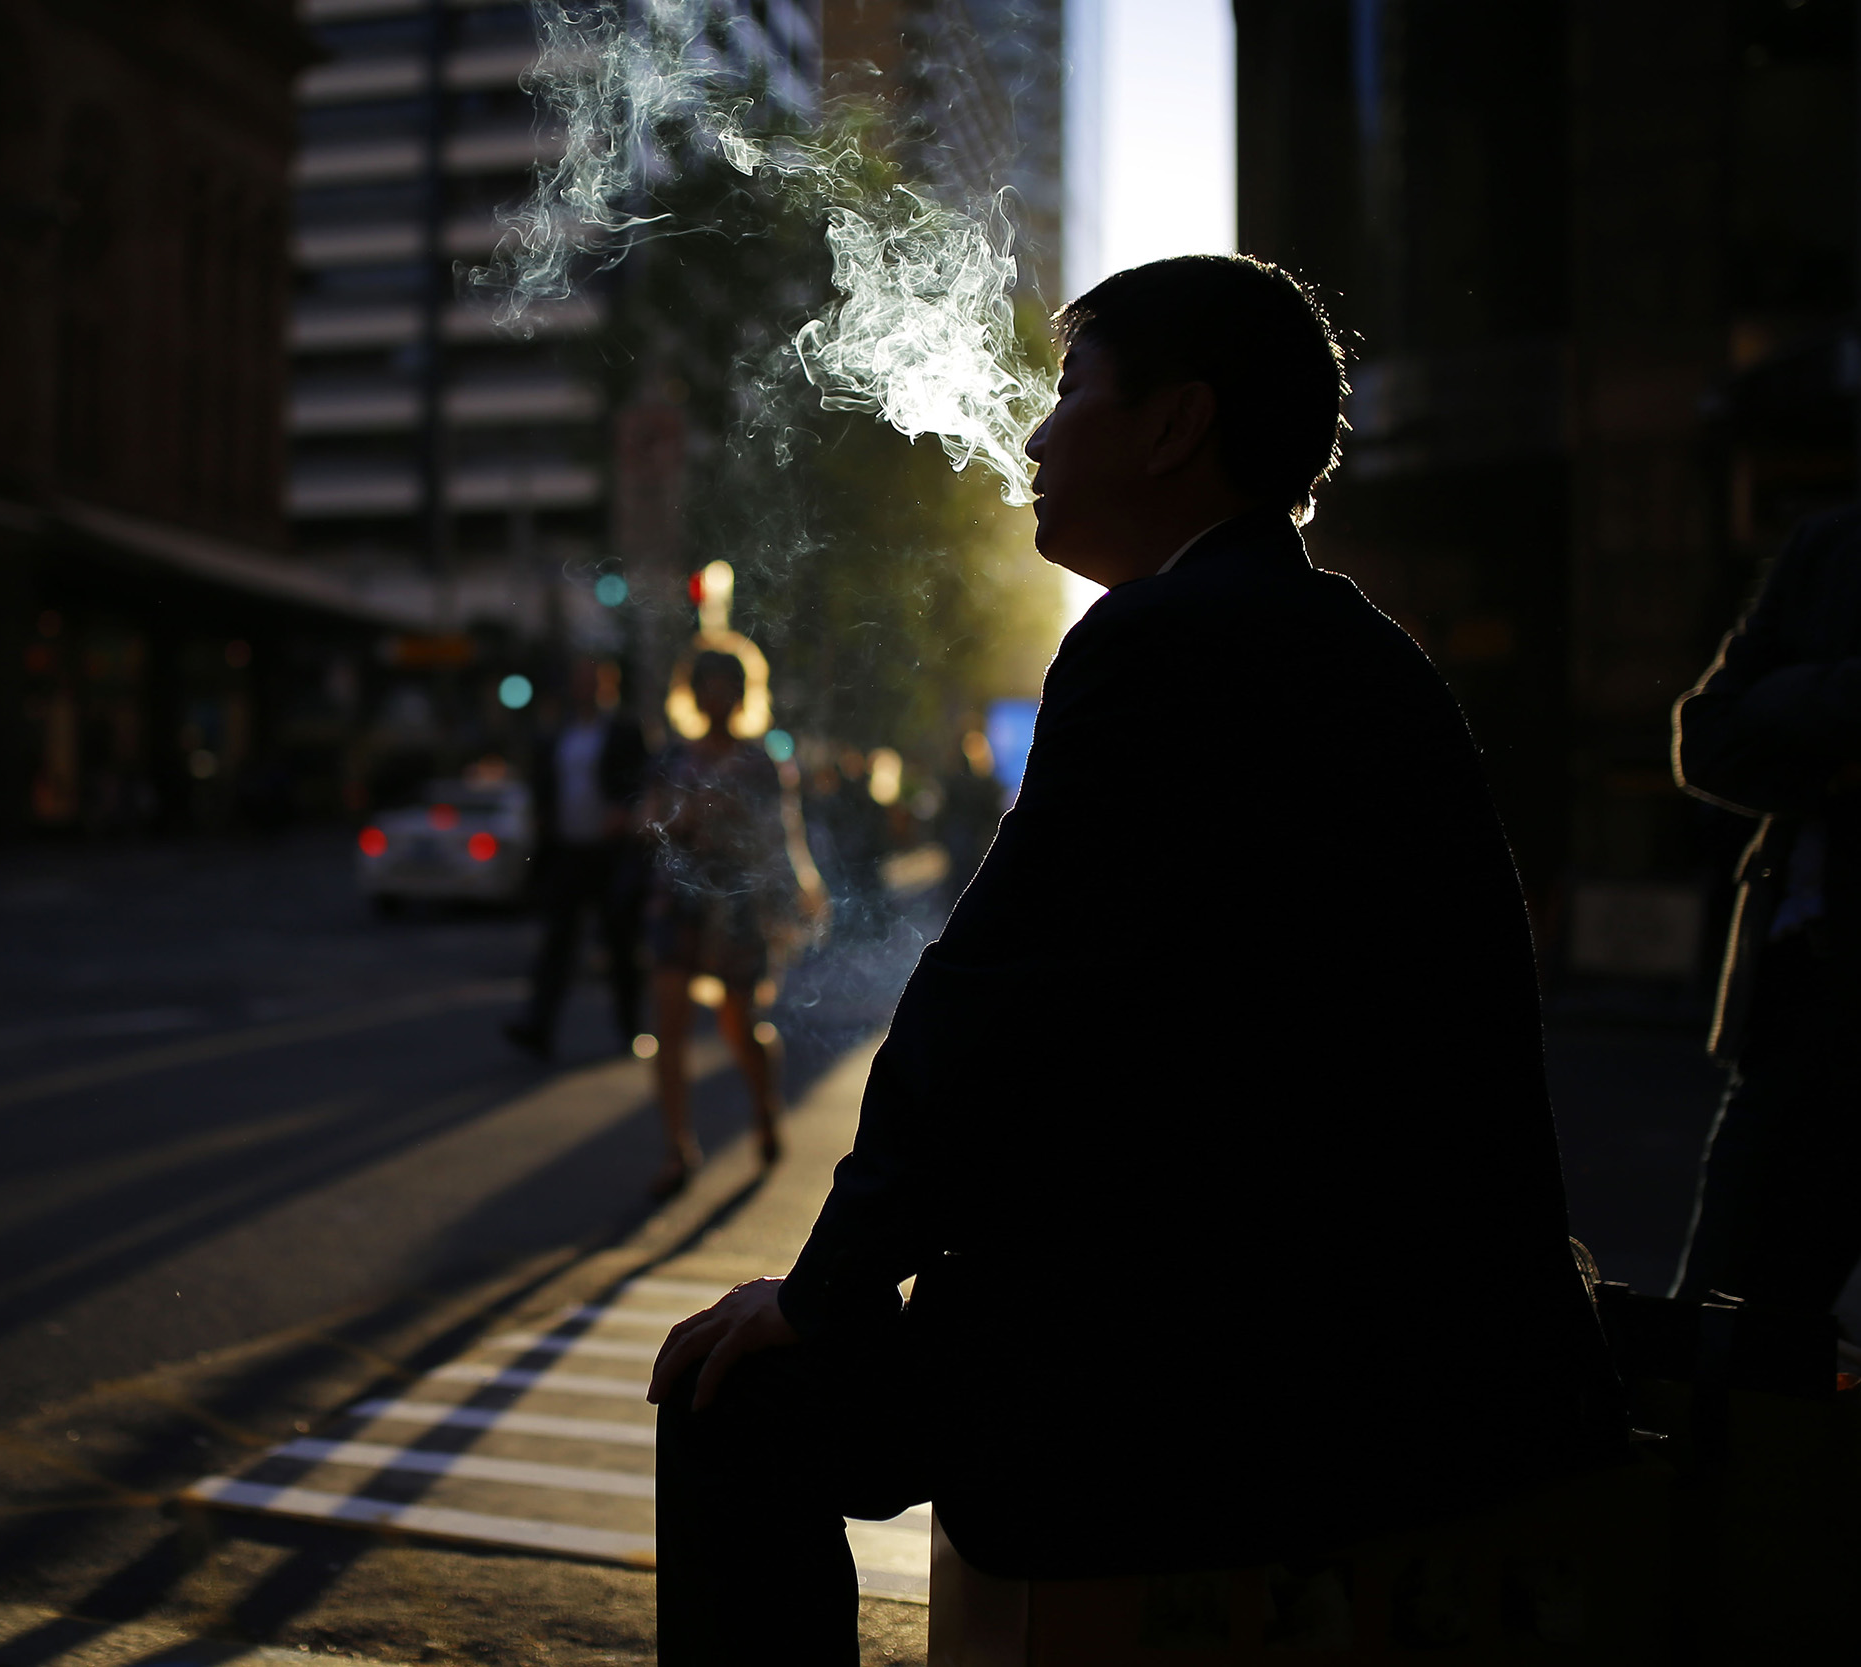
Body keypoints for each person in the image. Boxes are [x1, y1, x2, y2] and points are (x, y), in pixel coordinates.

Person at [648, 255, 1617, 1666]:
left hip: (1256, 1355)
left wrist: (823, 1288)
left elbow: (995, 1008)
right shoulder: (1354, 647)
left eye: (1070, 392)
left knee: (733, 1398)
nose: (1035, 437)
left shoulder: (1163, 642)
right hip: (1434, 1347)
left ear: (1175, 425)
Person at [1669, 510, 1861, 1313]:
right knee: (1721, 1331)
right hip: (1797, 1003)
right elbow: (1705, 735)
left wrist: (1795, 703)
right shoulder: (1829, 545)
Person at [641, 650, 811, 1198]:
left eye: (726, 687)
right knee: (670, 1022)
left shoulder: (760, 762)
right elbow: (648, 819)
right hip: (679, 900)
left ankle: (764, 1110)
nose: (716, 698)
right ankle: (676, 1148)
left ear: (742, 694)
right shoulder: (671, 755)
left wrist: (791, 897)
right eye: (706, 686)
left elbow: (781, 835)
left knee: (742, 1018)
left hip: (739, 901)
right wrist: (681, 815)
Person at [505, 656, 650, 1060]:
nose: (585, 688)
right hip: (568, 852)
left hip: (610, 855)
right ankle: (538, 1026)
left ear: (609, 686)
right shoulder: (557, 733)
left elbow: (643, 781)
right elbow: (542, 783)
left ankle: (630, 1028)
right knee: (557, 944)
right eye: (580, 680)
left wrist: (625, 811)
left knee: (621, 946)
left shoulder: (624, 731)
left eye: (594, 681)